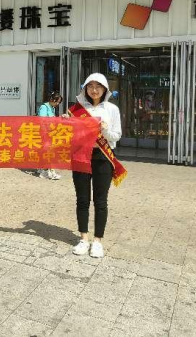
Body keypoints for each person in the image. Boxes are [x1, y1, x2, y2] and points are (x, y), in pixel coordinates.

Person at [66, 73, 123, 258]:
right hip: (80, 155)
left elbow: (116, 136)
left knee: (100, 200)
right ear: (85, 89)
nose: (94, 90)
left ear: (105, 89)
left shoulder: (112, 109)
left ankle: (97, 241)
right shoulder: (76, 109)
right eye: (90, 86)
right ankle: (83, 238)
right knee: (82, 199)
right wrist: (65, 123)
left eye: (98, 86)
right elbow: (69, 135)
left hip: (103, 157)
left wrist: (105, 130)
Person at [37, 91, 63, 180]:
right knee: (48, 152)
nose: (58, 104)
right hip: (45, 134)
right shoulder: (44, 107)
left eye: (59, 102)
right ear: (52, 99)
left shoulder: (52, 108)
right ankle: (47, 172)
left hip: (50, 133)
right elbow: (42, 121)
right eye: (57, 101)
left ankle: (44, 170)